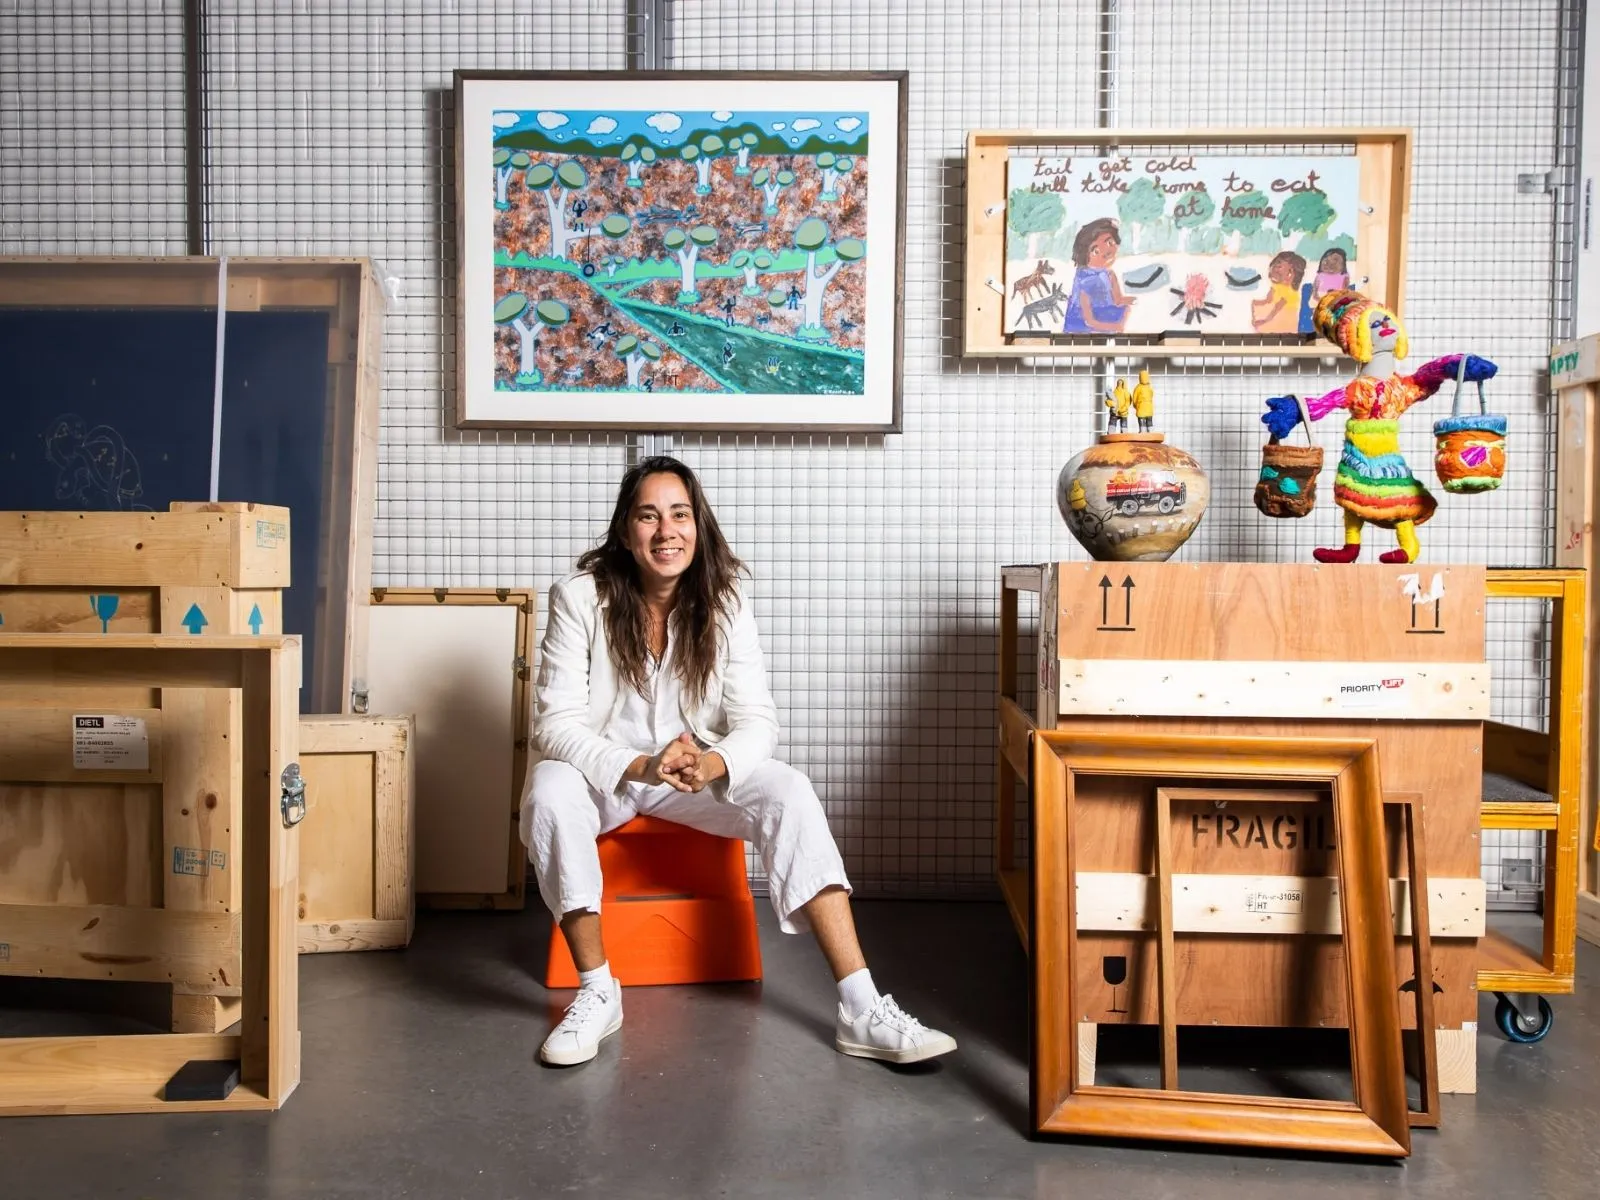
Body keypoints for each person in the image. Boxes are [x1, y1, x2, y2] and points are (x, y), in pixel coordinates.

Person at [521, 455, 958, 1068]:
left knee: (790, 790)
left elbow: (757, 719)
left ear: (698, 526)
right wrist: (641, 764)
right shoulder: (579, 596)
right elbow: (556, 725)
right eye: (648, 516)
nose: (665, 531)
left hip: (693, 779)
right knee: (548, 787)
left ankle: (860, 1005)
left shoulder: (724, 600)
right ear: (626, 530)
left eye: (680, 515)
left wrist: (716, 763)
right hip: (612, 777)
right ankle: (598, 992)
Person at [1264, 290, 1497, 564]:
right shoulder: (1359, 389)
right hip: (1358, 450)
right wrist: (1295, 411)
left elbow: (1426, 377)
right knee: (1351, 493)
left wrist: (1454, 366)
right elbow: (1324, 403)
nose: (1385, 328)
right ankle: (1351, 546)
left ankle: (1409, 548)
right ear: (1357, 337)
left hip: (1386, 454)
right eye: (1375, 325)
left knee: (1399, 496)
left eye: (1387, 321)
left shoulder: (1400, 387)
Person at [1061, 218, 1131, 334]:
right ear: (1084, 256)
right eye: (1096, 250)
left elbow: (1118, 300)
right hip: (1081, 331)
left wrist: (1135, 302)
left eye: (1110, 243)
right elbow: (1089, 321)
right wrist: (1117, 326)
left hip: (1104, 317)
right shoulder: (1084, 280)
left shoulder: (1109, 274)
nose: (1106, 251)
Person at [1251, 251, 1306, 334]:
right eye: (1276, 264)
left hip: (1284, 322)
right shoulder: (1276, 286)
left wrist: (1265, 320)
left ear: (1291, 273)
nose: (1275, 267)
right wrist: (1254, 304)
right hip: (1275, 316)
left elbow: (1277, 309)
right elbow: (1268, 300)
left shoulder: (1290, 292)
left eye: (1279, 266)